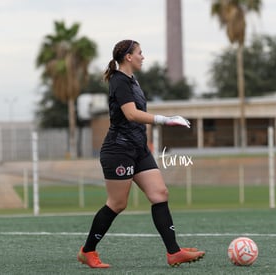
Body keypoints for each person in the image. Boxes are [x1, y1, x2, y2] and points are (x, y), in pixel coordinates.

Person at [77, 39, 205, 268]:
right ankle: (87, 251)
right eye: (140, 53)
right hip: (119, 150)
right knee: (117, 203)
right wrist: (165, 120)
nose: (143, 57)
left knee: (160, 193)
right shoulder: (119, 81)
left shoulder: (132, 80)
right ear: (128, 57)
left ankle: (174, 252)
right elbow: (132, 114)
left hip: (138, 148)